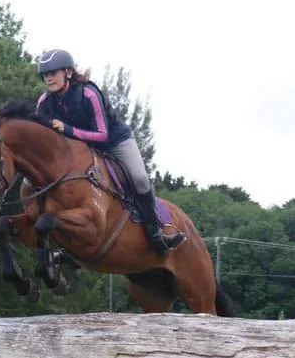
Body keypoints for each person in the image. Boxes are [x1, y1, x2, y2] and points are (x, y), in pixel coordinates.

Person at [34, 48, 185, 256]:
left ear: (68, 73)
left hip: (114, 141)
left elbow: (101, 135)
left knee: (140, 178)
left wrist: (67, 129)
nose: (49, 79)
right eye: (45, 75)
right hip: (79, 151)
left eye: (53, 73)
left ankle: (155, 232)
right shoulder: (44, 102)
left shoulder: (88, 93)